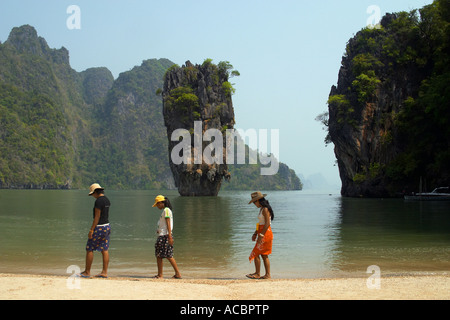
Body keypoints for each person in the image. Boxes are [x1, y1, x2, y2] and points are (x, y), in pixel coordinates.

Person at [79, 183, 111, 278]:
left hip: (99, 227)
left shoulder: (98, 201)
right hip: (107, 226)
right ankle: (104, 272)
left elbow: (97, 217)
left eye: (93, 194)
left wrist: (91, 230)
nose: (92, 196)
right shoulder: (107, 200)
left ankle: (87, 272)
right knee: (104, 249)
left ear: (96, 192)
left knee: (89, 248)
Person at [152, 195, 181, 279]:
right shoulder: (165, 211)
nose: (157, 206)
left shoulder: (166, 210)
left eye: (157, 204)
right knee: (159, 255)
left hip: (165, 236)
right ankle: (160, 274)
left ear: (161, 203)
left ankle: (177, 273)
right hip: (163, 235)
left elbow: (168, 222)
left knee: (168, 255)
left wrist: (169, 236)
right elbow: (165, 223)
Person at [246, 191, 274, 279]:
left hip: (265, 233)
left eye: (255, 202)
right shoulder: (262, 209)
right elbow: (261, 223)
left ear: (259, 200)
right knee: (262, 254)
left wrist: (261, 236)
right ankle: (265, 274)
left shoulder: (265, 209)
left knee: (258, 253)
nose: (254, 204)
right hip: (262, 232)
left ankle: (260, 274)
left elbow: (267, 224)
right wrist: (255, 233)